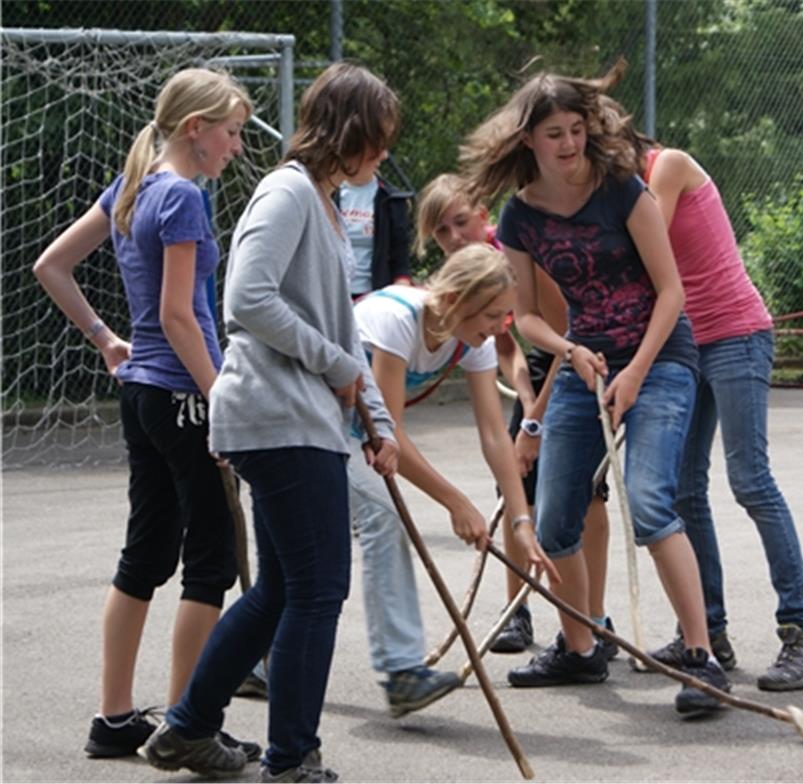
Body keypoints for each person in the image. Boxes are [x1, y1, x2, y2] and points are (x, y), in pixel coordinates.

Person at [138, 63, 402, 782]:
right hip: (276, 419)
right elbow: (247, 300)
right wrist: (339, 372)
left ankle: (187, 729)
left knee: (283, 590)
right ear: (346, 132)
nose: (381, 157)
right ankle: (291, 759)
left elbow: (341, 332)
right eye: (375, 141)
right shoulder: (286, 190)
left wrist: (376, 420)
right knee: (319, 591)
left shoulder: (322, 201)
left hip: (302, 418)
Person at [460, 62, 730, 717]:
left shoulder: (623, 191)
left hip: (661, 358)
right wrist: (569, 349)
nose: (570, 144)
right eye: (555, 133)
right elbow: (523, 316)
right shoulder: (520, 215)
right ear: (530, 140)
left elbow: (672, 291)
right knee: (554, 518)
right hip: (586, 365)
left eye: (577, 130)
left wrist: (636, 370)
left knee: (651, 501)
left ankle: (703, 658)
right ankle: (581, 650)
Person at [32, 68, 260, 762]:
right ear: (196, 130)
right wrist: (222, 399)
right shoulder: (184, 196)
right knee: (211, 559)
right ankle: (190, 725)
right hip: (184, 396)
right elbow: (176, 316)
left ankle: (114, 717)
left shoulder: (132, 189)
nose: (237, 146)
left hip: (140, 394)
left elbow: (51, 265)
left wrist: (106, 341)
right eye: (231, 132)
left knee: (147, 552)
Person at [628, 129, 803, 690]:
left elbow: (643, 254)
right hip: (684, 344)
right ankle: (707, 633)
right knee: (682, 490)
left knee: (750, 479)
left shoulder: (665, 167)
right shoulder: (621, 190)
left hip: (735, 335)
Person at [414, 173, 617, 657]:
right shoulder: (466, 270)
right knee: (515, 485)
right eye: (441, 231)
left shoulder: (514, 249)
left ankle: (594, 619)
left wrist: (536, 421)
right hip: (543, 365)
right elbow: (504, 345)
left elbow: (570, 337)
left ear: (483, 213)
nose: (454, 237)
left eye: (460, 222)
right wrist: (524, 399)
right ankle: (515, 613)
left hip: (581, 357)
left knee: (585, 494)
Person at [351, 242, 558, 689]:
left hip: (357, 430)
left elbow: (492, 434)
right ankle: (403, 672)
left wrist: (521, 519)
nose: (500, 327)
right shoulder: (397, 320)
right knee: (379, 520)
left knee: (309, 554)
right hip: (314, 423)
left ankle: (256, 663)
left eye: (506, 314)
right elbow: (390, 435)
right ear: (453, 301)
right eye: (491, 315)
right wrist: (455, 501)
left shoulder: (471, 342)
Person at [336, 154, 413, 295]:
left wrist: (396, 297)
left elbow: (401, 264)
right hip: (331, 298)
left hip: (375, 297)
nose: (383, 155)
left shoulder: (392, 199)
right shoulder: (324, 195)